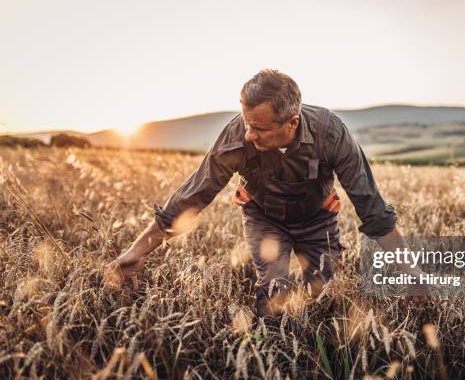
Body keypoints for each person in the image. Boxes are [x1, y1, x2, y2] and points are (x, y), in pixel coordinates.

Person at [105, 69, 428, 317]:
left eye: (259, 128)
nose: (249, 134)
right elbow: (194, 195)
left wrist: (411, 272)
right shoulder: (236, 137)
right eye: (246, 123)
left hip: (318, 220)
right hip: (264, 219)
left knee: (326, 295)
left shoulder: (331, 134)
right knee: (275, 292)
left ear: (291, 122)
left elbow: (372, 208)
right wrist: (138, 251)